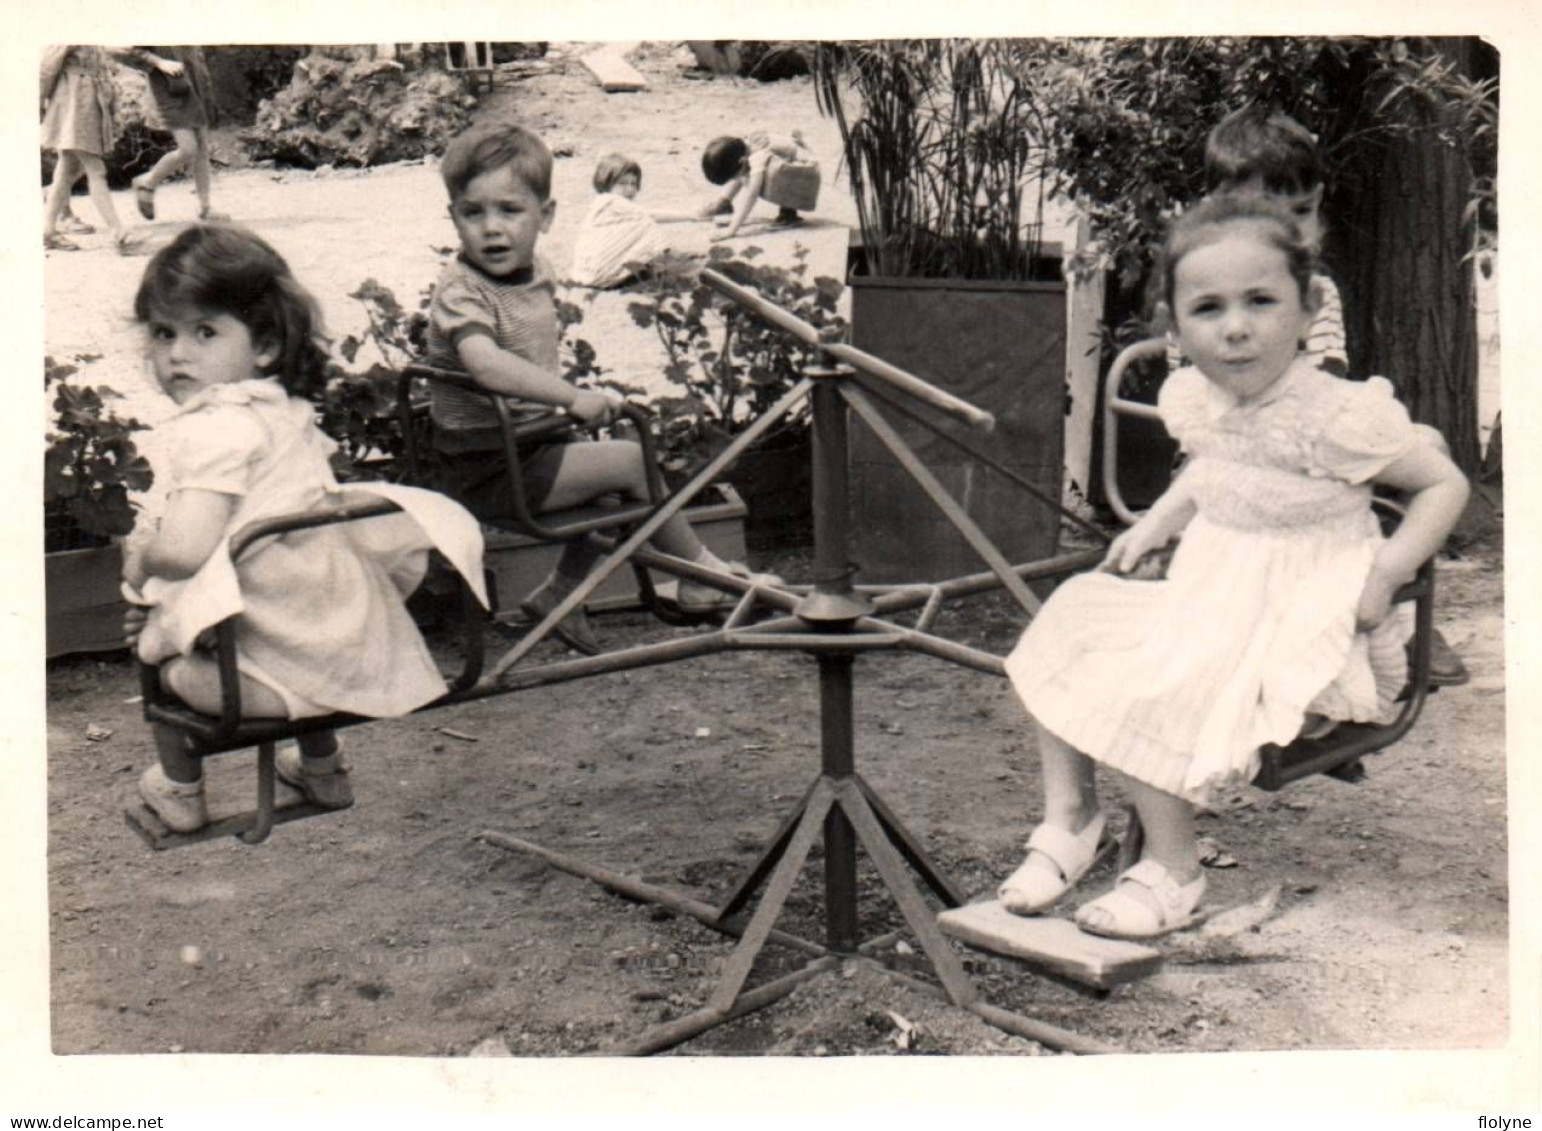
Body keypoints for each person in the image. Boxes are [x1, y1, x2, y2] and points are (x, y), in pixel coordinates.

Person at [995, 193, 1469, 939]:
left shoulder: (1334, 413)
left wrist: (1388, 569)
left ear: (1309, 308)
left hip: (1298, 604)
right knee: (1070, 623)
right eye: (1209, 308)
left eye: (1261, 301)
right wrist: (1157, 520)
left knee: (1152, 680)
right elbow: (1209, 470)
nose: (1238, 327)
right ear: (1175, 326)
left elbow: (1444, 483)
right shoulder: (1196, 399)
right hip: (1213, 586)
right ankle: (1071, 817)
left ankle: (1174, 873)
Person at [125, 224, 487, 833]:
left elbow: (187, 550)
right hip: (333, 629)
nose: (177, 354)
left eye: (204, 332)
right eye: (164, 333)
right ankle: (323, 767)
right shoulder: (284, 411)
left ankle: (182, 791)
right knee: (214, 606)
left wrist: (141, 565)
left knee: (162, 660)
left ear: (264, 345)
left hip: (275, 650)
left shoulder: (215, 427)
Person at [424, 124, 778, 655]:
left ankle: (559, 595)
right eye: (473, 213)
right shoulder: (462, 291)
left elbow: (526, 357)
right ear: (454, 217)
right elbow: (486, 364)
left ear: (546, 217)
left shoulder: (534, 270)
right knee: (633, 462)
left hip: (527, 445)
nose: (492, 229)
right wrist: (569, 398)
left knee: (613, 481)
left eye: (510, 211)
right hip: (489, 465)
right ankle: (704, 577)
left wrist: (559, 403)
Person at [1172, 105, 1469, 683]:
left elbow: (1324, 382)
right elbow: (1202, 399)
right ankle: (1380, 620)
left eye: (1303, 212)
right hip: (1236, 455)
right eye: (1267, 215)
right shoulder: (1206, 290)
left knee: (1424, 445)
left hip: (1309, 434)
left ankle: (1404, 601)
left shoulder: (1315, 293)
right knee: (1408, 452)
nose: (1292, 233)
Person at [40, 46, 133, 253]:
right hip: (74, 102)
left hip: (87, 99)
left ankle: (47, 231)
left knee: (66, 171)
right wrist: (37, 102)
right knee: (96, 170)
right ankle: (116, 229)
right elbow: (46, 67)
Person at [124, 47, 227, 223]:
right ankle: (147, 181)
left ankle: (205, 207)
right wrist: (159, 62)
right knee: (188, 149)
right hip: (170, 88)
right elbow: (122, 50)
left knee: (202, 148)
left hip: (196, 84)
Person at [568, 153, 700, 289]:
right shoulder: (611, 201)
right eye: (622, 183)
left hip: (584, 274)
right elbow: (651, 215)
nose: (630, 189)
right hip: (599, 272)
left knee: (637, 225)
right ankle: (673, 256)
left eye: (633, 184)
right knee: (645, 224)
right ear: (607, 183)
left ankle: (665, 259)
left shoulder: (600, 204)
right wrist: (688, 216)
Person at [699, 130, 821, 242]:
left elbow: (752, 194)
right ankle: (723, 204)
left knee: (756, 175)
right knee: (742, 172)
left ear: (742, 160)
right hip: (794, 160)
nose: (733, 180)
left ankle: (788, 211)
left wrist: (732, 230)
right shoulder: (742, 148)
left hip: (806, 173)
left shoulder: (757, 157)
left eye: (732, 178)